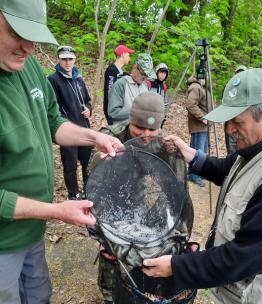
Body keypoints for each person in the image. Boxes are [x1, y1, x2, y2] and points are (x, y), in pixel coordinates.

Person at [142, 68, 262, 304]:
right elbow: (231, 170)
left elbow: (243, 257)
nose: (228, 130)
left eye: (236, 121)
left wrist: (177, 266)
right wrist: (192, 156)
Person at [0, 1, 124, 303]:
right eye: (18, 34)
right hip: (3, 242)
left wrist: (94, 137)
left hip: (32, 230)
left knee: (39, 294)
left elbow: (53, 121)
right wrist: (57, 210)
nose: (28, 48)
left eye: (34, 38)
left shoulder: (26, 65)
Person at [89, 91, 165, 304]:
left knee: (146, 257)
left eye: (152, 128)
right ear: (130, 120)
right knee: (112, 256)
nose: (146, 134)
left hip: (145, 200)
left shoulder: (163, 141)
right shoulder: (110, 136)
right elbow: (94, 187)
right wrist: (101, 233)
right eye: (139, 127)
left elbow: (167, 185)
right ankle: (109, 295)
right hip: (112, 201)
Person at [48, 46, 92, 200]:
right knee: (70, 167)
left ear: (75, 60)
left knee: (89, 165)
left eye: (70, 59)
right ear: (58, 59)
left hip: (84, 129)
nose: (67, 62)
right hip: (67, 132)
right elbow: (51, 108)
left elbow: (87, 101)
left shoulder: (79, 79)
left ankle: (90, 192)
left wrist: (88, 110)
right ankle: (73, 196)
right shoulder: (52, 80)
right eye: (64, 59)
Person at [107, 53, 156, 125]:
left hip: (140, 130)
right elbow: (113, 112)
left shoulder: (145, 86)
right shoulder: (121, 84)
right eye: (143, 74)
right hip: (122, 131)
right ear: (135, 68)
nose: (145, 77)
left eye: (147, 75)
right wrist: (136, 112)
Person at [186, 75, 211, 187]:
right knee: (197, 151)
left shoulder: (204, 87)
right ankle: (193, 174)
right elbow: (190, 104)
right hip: (199, 126)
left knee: (203, 151)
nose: (207, 76)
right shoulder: (196, 87)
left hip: (204, 126)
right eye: (205, 74)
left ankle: (199, 172)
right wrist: (202, 118)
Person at [104, 44, 135, 125]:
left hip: (120, 110)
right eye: (128, 55)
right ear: (123, 55)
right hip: (113, 112)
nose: (129, 58)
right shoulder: (112, 70)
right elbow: (109, 92)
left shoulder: (121, 72)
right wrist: (109, 113)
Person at [225, 65, 248, 154]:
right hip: (231, 123)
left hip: (243, 125)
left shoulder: (249, 89)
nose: (240, 75)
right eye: (238, 73)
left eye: (242, 73)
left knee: (242, 151)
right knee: (231, 152)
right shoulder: (229, 87)